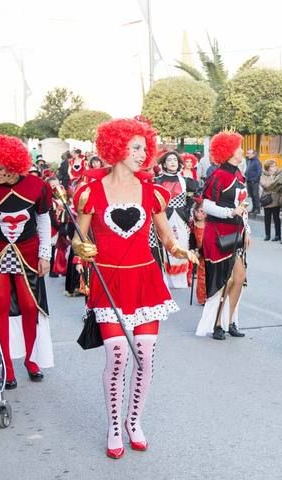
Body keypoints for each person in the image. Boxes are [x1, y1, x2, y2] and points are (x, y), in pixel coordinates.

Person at [71, 118, 197, 459]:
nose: (144, 154)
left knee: (144, 356)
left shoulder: (152, 192)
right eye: (136, 147)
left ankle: (134, 421)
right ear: (116, 148)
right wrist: (84, 248)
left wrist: (181, 250)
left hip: (146, 282)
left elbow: (167, 238)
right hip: (108, 283)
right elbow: (77, 238)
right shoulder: (88, 193)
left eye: (145, 148)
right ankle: (114, 425)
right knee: (117, 355)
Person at [0, 134, 55, 390]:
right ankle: (7, 367)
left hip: (29, 253)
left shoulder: (37, 186)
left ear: (13, 165)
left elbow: (43, 219)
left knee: (30, 306)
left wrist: (45, 254)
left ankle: (31, 360)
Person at [194, 132, 251, 340]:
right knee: (223, 281)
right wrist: (230, 213)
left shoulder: (239, 175)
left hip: (236, 233)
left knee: (239, 278)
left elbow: (243, 206)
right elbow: (206, 205)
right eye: (238, 147)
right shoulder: (218, 176)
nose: (242, 151)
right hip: (218, 234)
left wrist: (247, 230)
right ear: (228, 152)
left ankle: (230, 321)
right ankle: (217, 323)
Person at [153, 150, 199, 289]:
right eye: (169, 160)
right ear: (164, 164)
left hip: (181, 218)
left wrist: (188, 211)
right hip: (163, 217)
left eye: (174, 160)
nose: (172, 162)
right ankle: (165, 279)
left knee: (182, 245)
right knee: (165, 246)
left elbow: (193, 198)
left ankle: (181, 279)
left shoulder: (186, 181)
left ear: (179, 163)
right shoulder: (157, 181)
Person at [259, 159, 282, 242]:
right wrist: (273, 182)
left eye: (275, 165)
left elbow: (281, 184)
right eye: (272, 166)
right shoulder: (264, 174)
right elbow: (264, 184)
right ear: (268, 167)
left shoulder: (279, 174)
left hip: (276, 198)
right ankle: (267, 235)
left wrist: (273, 184)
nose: (274, 167)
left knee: (276, 218)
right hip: (267, 198)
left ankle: (278, 235)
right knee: (267, 218)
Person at [189, 199, 207, 305]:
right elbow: (192, 238)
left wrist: (200, 251)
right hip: (199, 253)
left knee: (208, 276)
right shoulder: (193, 224)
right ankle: (201, 298)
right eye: (197, 211)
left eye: (202, 212)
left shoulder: (209, 225)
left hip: (208, 252)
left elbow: (208, 242)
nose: (199, 214)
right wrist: (192, 249)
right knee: (201, 276)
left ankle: (210, 296)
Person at [245, 149, 262, 215]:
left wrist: (254, 180)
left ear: (254, 154)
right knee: (252, 195)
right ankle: (254, 209)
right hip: (249, 181)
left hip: (254, 182)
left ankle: (257, 209)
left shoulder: (257, 162)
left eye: (249, 153)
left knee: (255, 195)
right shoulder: (249, 161)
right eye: (247, 153)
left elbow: (259, 172)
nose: (248, 155)